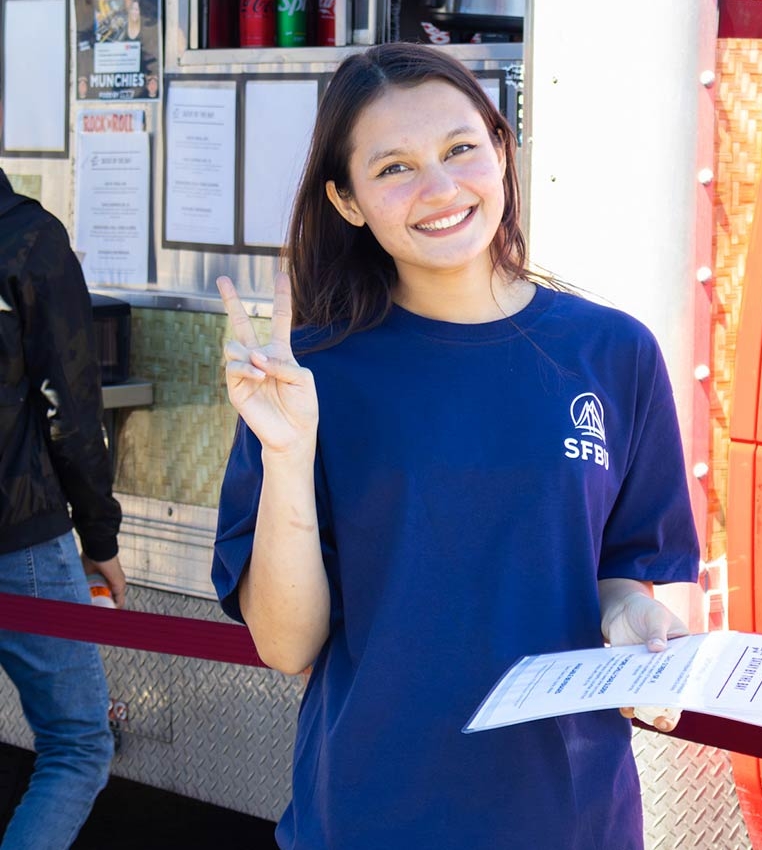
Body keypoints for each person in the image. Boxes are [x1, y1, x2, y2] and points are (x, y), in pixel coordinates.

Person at [213, 42, 700, 850]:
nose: (440, 189)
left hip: (568, 818)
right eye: (394, 168)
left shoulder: (613, 353)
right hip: (370, 817)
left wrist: (637, 618)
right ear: (348, 200)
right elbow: (285, 643)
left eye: (460, 149)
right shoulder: (307, 376)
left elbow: (622, 573)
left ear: (501, 151)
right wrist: (288, 456)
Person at [0, 141, 126, 849]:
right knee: (78, 744)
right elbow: (71, 409)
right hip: (21, 540)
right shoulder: (28, 239)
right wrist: (99, 538)